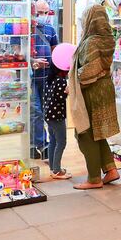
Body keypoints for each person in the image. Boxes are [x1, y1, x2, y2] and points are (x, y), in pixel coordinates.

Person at [69, 5, 120, 190]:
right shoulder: (108, 39)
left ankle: (93, 178)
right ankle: (110, 169)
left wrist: (72, 80)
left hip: (92, 91)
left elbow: (90, 70)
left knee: (84, 132)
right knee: (97, 132)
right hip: (105, 88)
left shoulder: (91, 41)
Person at [31, 0, 59, 159]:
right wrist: (33, 62)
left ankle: (40, 144)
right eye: (39, 13)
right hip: (31, 78)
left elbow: (56, 51)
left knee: (47, 111)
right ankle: (40, 144)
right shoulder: (25, 29)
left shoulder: (50, 29)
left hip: (47, 77)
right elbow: (18, 53)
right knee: (35, 111)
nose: (42, 16)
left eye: (45, 12)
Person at [45, 50, 70, 180]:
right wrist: (68, 90)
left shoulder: (50, 79)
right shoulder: (60, 81)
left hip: (49, 115)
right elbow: (61, 97)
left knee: (53, 141)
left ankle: (53, 168)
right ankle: (57, 170)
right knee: (61, 142)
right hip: (57, 116)